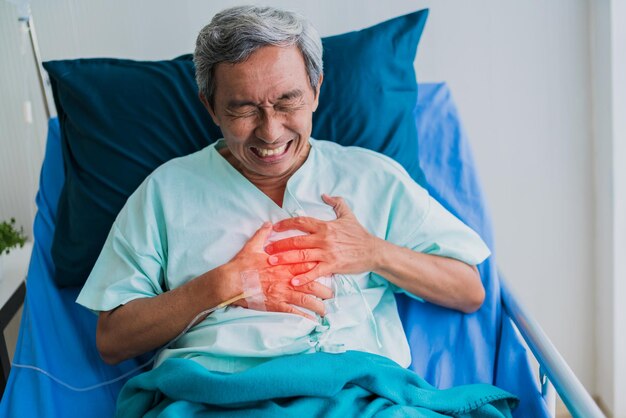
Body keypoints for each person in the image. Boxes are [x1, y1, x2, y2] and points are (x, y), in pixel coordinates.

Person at [77, 5, 488, 375]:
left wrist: (371, 252)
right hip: (217, 396)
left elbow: (468, 289)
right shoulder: (165, 192)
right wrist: (223, 285)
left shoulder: (372, 176)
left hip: (355, 392)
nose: (270, 131)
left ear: (316, 90)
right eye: (243, 109)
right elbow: (112, 340)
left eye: (287, 102)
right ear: (210, 107)